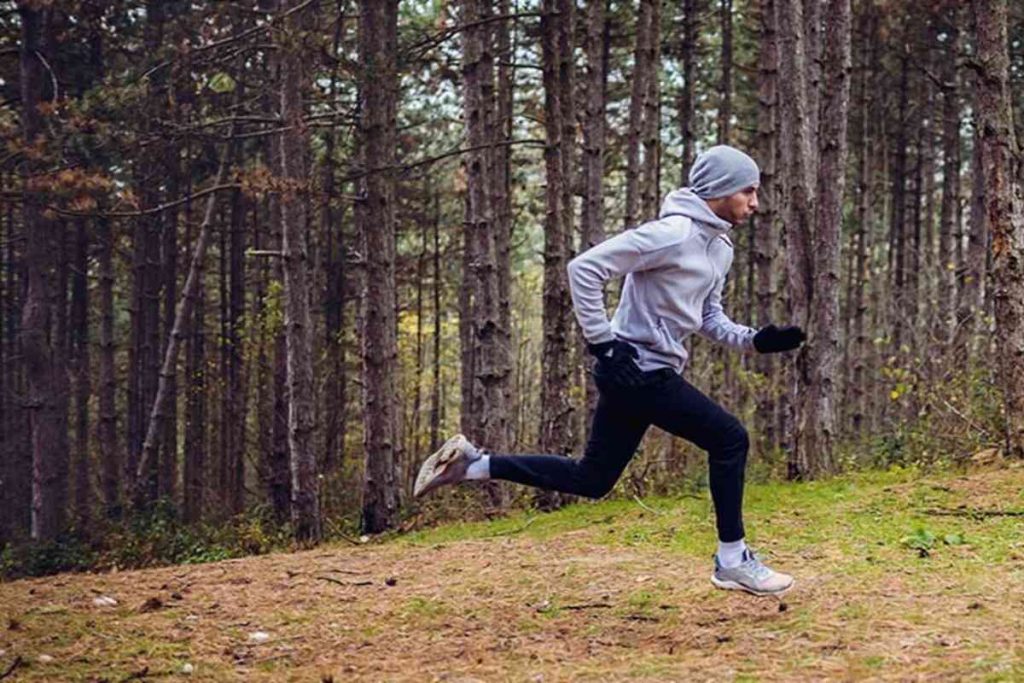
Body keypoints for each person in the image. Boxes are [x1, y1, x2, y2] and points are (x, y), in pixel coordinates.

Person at [413, 145, 805, 597]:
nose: (755, 202)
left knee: (593, 478)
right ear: (719, 189)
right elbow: (585, 269)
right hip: (637, 369)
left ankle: (474, 465)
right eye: (748, 190)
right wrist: (604, 344)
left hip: (642, 372)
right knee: (729, 438)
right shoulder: (671, 234)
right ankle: (732, 559)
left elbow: (708, 318)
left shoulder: (719, 248)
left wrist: (758, 340)